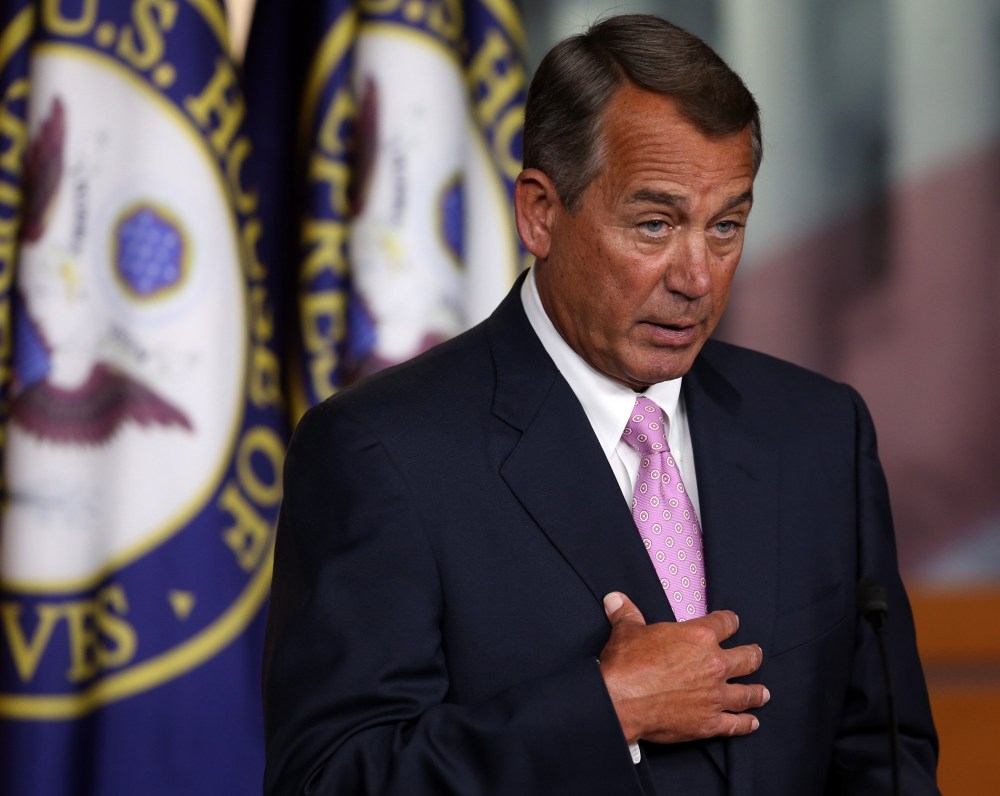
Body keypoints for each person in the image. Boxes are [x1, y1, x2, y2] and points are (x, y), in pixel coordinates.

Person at [262, 14, 939, 795]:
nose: (697, 276)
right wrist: (606, 708)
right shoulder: (383, 453)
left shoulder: (818, 433)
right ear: (540, 213)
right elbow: (330, 779)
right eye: (654, 225)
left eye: (726, 226)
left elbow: (884, 757)